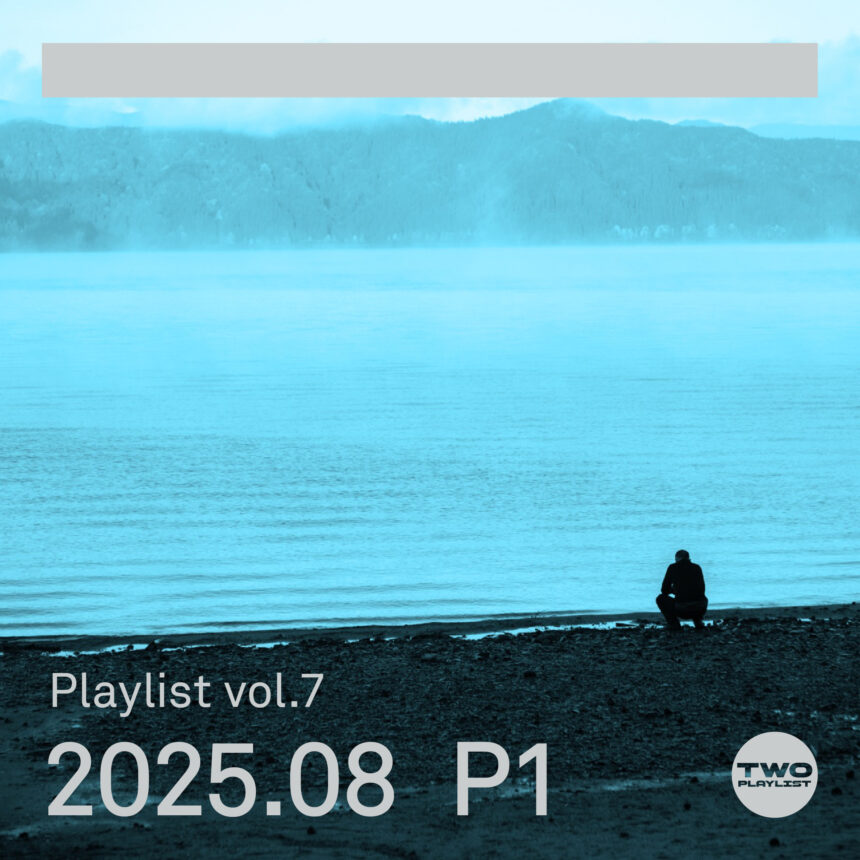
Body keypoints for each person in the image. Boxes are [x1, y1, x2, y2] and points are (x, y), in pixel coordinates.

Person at [656, 550, 708, 629]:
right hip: (700, 608)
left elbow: (664, 590)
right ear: (688, 558)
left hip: (682, 609)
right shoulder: (697, 567)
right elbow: (702, 589)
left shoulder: (672, 567)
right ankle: (698, 621)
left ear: (677, 558)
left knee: (660, 598)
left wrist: (674, 590)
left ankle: (674, 624)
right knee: (699, 597)